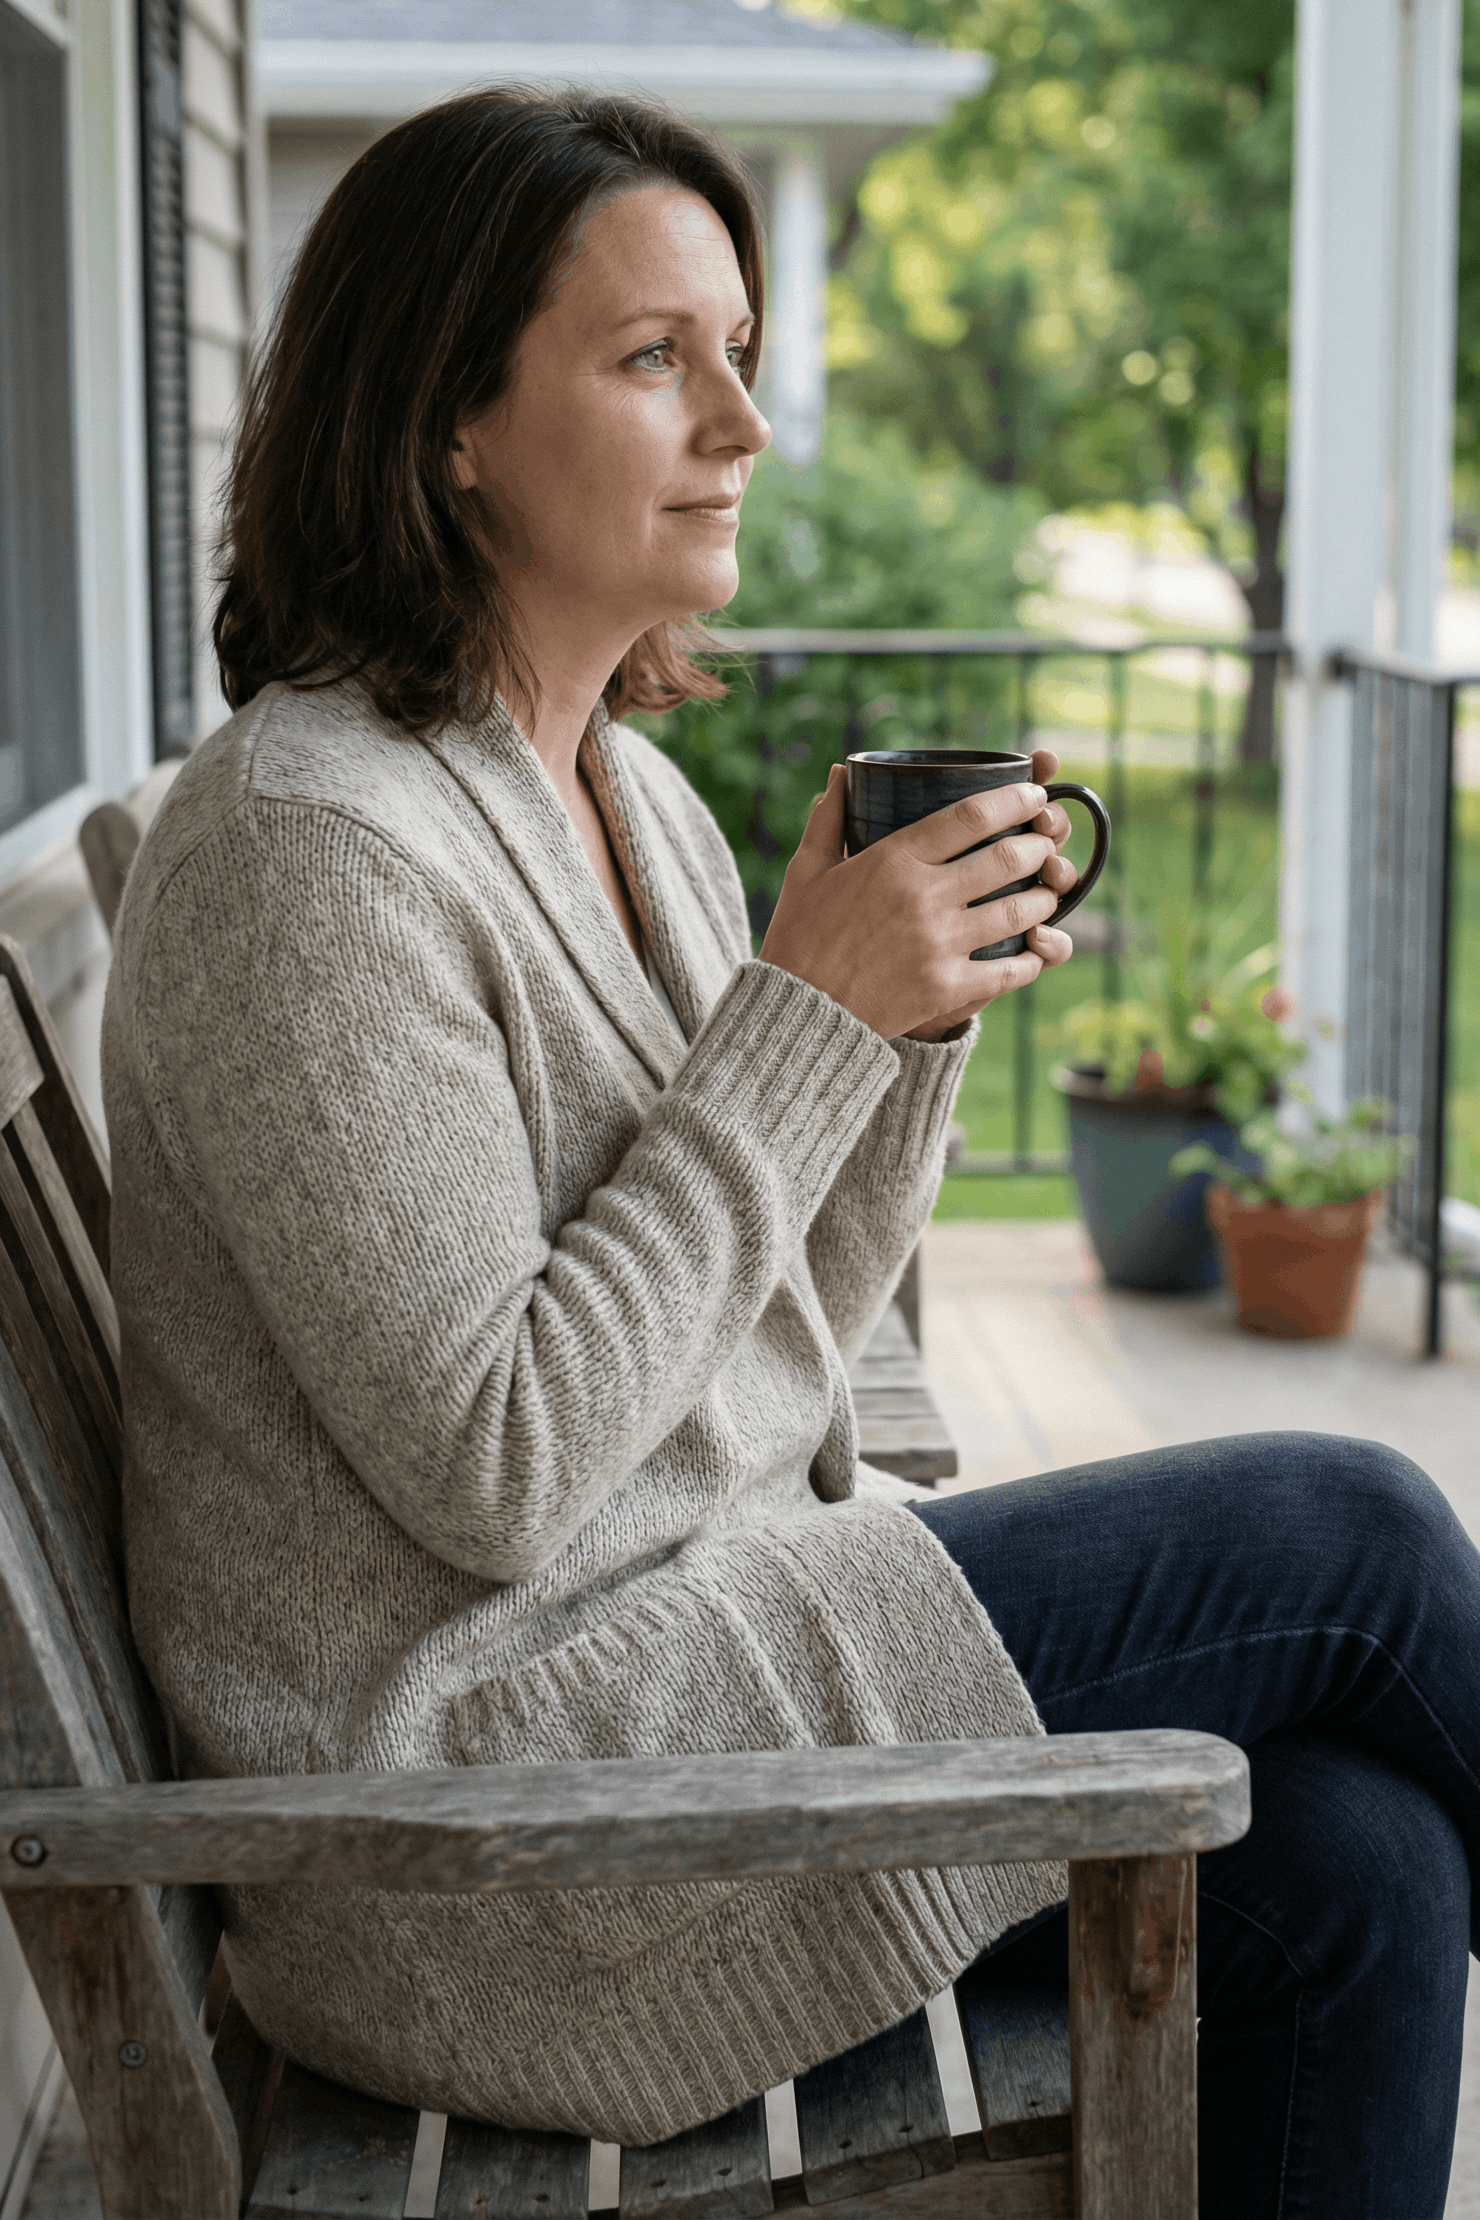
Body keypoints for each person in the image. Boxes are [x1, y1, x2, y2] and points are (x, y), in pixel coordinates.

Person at [103, 87, 1479, 2220]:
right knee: (1350, 1522)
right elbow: (498, 1465)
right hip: (489, 1845)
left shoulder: (624, 799)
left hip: (684, 1680)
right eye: (655, 358)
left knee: (1345, 1868)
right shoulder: (307, 852)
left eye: (736, 350)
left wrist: (893, 1033)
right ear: (443, 418)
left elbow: (773, 1342)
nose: (740, 421)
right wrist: (805, 1017)